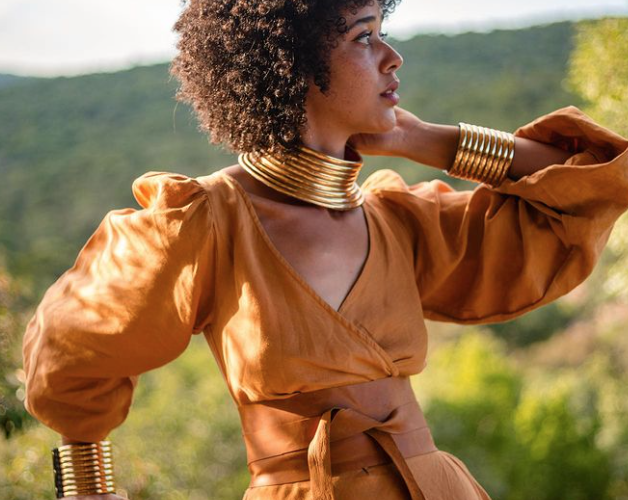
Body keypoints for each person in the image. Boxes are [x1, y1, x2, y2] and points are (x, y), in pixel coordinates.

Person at [21, 0, 628, 498]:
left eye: (382, 31)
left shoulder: (397, 219)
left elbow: (590, 184)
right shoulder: (200, 222)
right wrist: (88, 491)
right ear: (288, 62)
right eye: (364, 36)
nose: (393, 56)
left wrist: (423, 139)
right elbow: (70, 354)